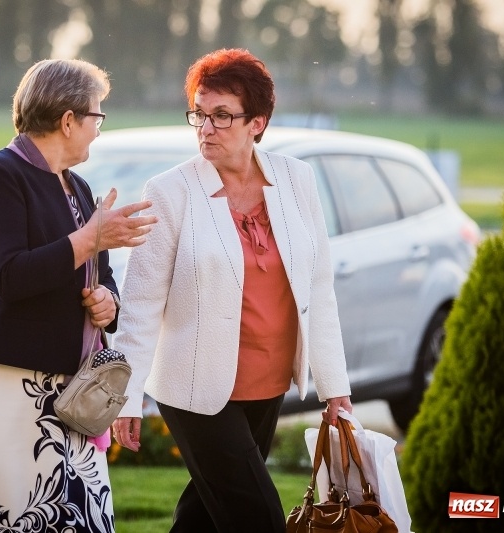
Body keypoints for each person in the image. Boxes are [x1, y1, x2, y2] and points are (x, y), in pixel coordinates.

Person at [111, 48, 353, 533]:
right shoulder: (170, 191)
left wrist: (335, 390)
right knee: (256, 517)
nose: (206, 128)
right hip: (195, 386)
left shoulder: (296, 179)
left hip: (268, 381)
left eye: (222, 116)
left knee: (204, 515)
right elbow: (140, 303)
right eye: (199, 114)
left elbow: (318, 291)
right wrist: (127, 395)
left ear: (257, 123)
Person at [0, 58, 156, 532]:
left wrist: (107, 304)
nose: (97, 129)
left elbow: (99, 278)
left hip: (68, 395)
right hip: (2, 386)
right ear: (68, 120)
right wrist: (92, 238)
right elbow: (9, 276)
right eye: (96, 116)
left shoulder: (78, 186)